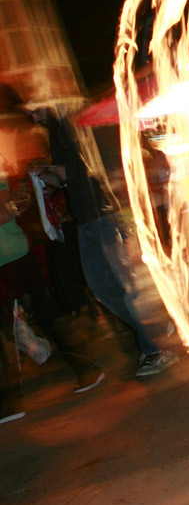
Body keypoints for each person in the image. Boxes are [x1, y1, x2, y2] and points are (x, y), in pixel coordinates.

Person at [29, 107, 177, 378]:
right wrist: (45, 178)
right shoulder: (56, 129)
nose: (30, 111)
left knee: (127, 286)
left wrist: (48, 170)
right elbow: (69, 177)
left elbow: (78, 169)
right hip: (87, 219)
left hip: (103, 215)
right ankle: (154, 329)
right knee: (103, 288)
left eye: (34, 105)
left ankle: (157, 348)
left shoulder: (70, 123)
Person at [0, 177, 105, 415]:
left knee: (48, 315)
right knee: (7, 331)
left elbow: (4, 214)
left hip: (14, 258)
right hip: (9, 260)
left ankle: (86, 367)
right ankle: (9, 403)